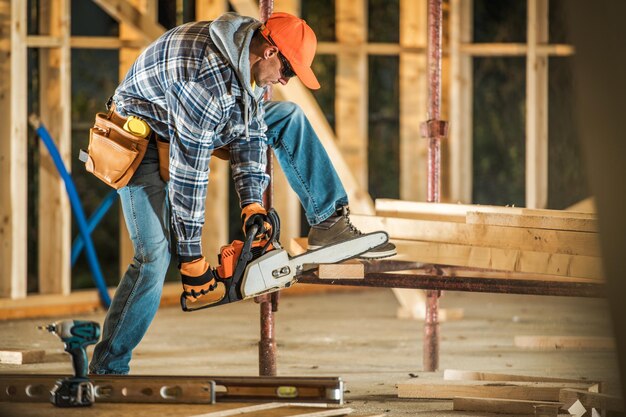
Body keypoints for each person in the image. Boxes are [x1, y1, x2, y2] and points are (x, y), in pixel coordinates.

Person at [89, 11, 396, 375]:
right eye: (288, 70)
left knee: (288, 116)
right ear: (269, 51)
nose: (285, 78)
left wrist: (252, 205)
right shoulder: (204, 79)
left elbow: (251, 135)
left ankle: (328, 221)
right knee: (154, 255)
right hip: (140, 140)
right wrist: (191, 261)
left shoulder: (249, 60)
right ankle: (108, 367)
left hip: (192, 123)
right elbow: (190, 174)